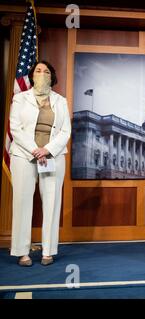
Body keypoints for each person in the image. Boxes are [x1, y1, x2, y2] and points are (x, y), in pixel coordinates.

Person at [9, 61, 71, 266]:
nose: (42, 73)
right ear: (32, 75)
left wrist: (47, 150)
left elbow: (65, 131)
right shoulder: (20, 98)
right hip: (23, 155)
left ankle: (48, 250)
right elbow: (15, 129)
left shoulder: (60, 100)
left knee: (52, 203)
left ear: (52, 76)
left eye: (46, 71)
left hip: (52, 155)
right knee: (22, 202)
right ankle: (21, 251)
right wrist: (35, 150)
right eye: (38, 70)